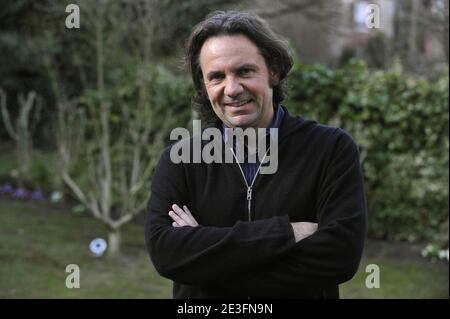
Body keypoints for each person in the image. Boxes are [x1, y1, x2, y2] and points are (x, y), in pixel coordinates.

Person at [145, 10, 367, 299]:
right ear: (203, 85)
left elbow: (339, 258)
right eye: (216, 77)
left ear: (273, 71)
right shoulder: (181, 160)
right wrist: (285, 234)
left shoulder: (330, 150)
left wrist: (207, 263)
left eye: (244, 71)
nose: (232, 89)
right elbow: (166, 253)